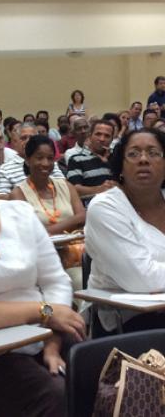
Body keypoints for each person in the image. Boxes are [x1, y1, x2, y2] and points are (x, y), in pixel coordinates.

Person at [0, 139, 85, 417]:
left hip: (45, 335)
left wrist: (52, 342)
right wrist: (43, 312)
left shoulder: (18, 213)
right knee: (56, 396)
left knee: (96, 372)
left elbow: (56, 281)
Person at [86, 129, 165, 334]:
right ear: (120, 165)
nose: (143, 160)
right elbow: (141, 279)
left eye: (154, 153)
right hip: (129, 323)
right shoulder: (105, 207)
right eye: (133, 154)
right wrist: (151, 276)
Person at [10, 136, 85, 286]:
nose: (45, 163)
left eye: (50, 158)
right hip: (42, 260)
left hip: (78, 255)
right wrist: (72, 222)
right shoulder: (18, 194)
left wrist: (51, 230)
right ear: (28, 159)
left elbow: (83, 217)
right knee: (79, 280)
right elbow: (33, 235)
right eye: (39, 158)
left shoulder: (65, 185)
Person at [0, 123, 64, 199]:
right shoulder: (5, 169)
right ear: (15, 142)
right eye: (23, 138)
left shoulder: (49, 163)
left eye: (31, 138)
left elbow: (63, 187)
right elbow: (0, 197)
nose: (28, 141)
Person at [67, 120, 115, 200]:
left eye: (107, 136)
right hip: (89, 207)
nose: (102, 139)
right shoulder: (76, 159)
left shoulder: (115, 159)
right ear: (90, 136)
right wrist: (100, 189)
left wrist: (108, 162)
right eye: (98, 134)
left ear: (112, 139)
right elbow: (74, 189)